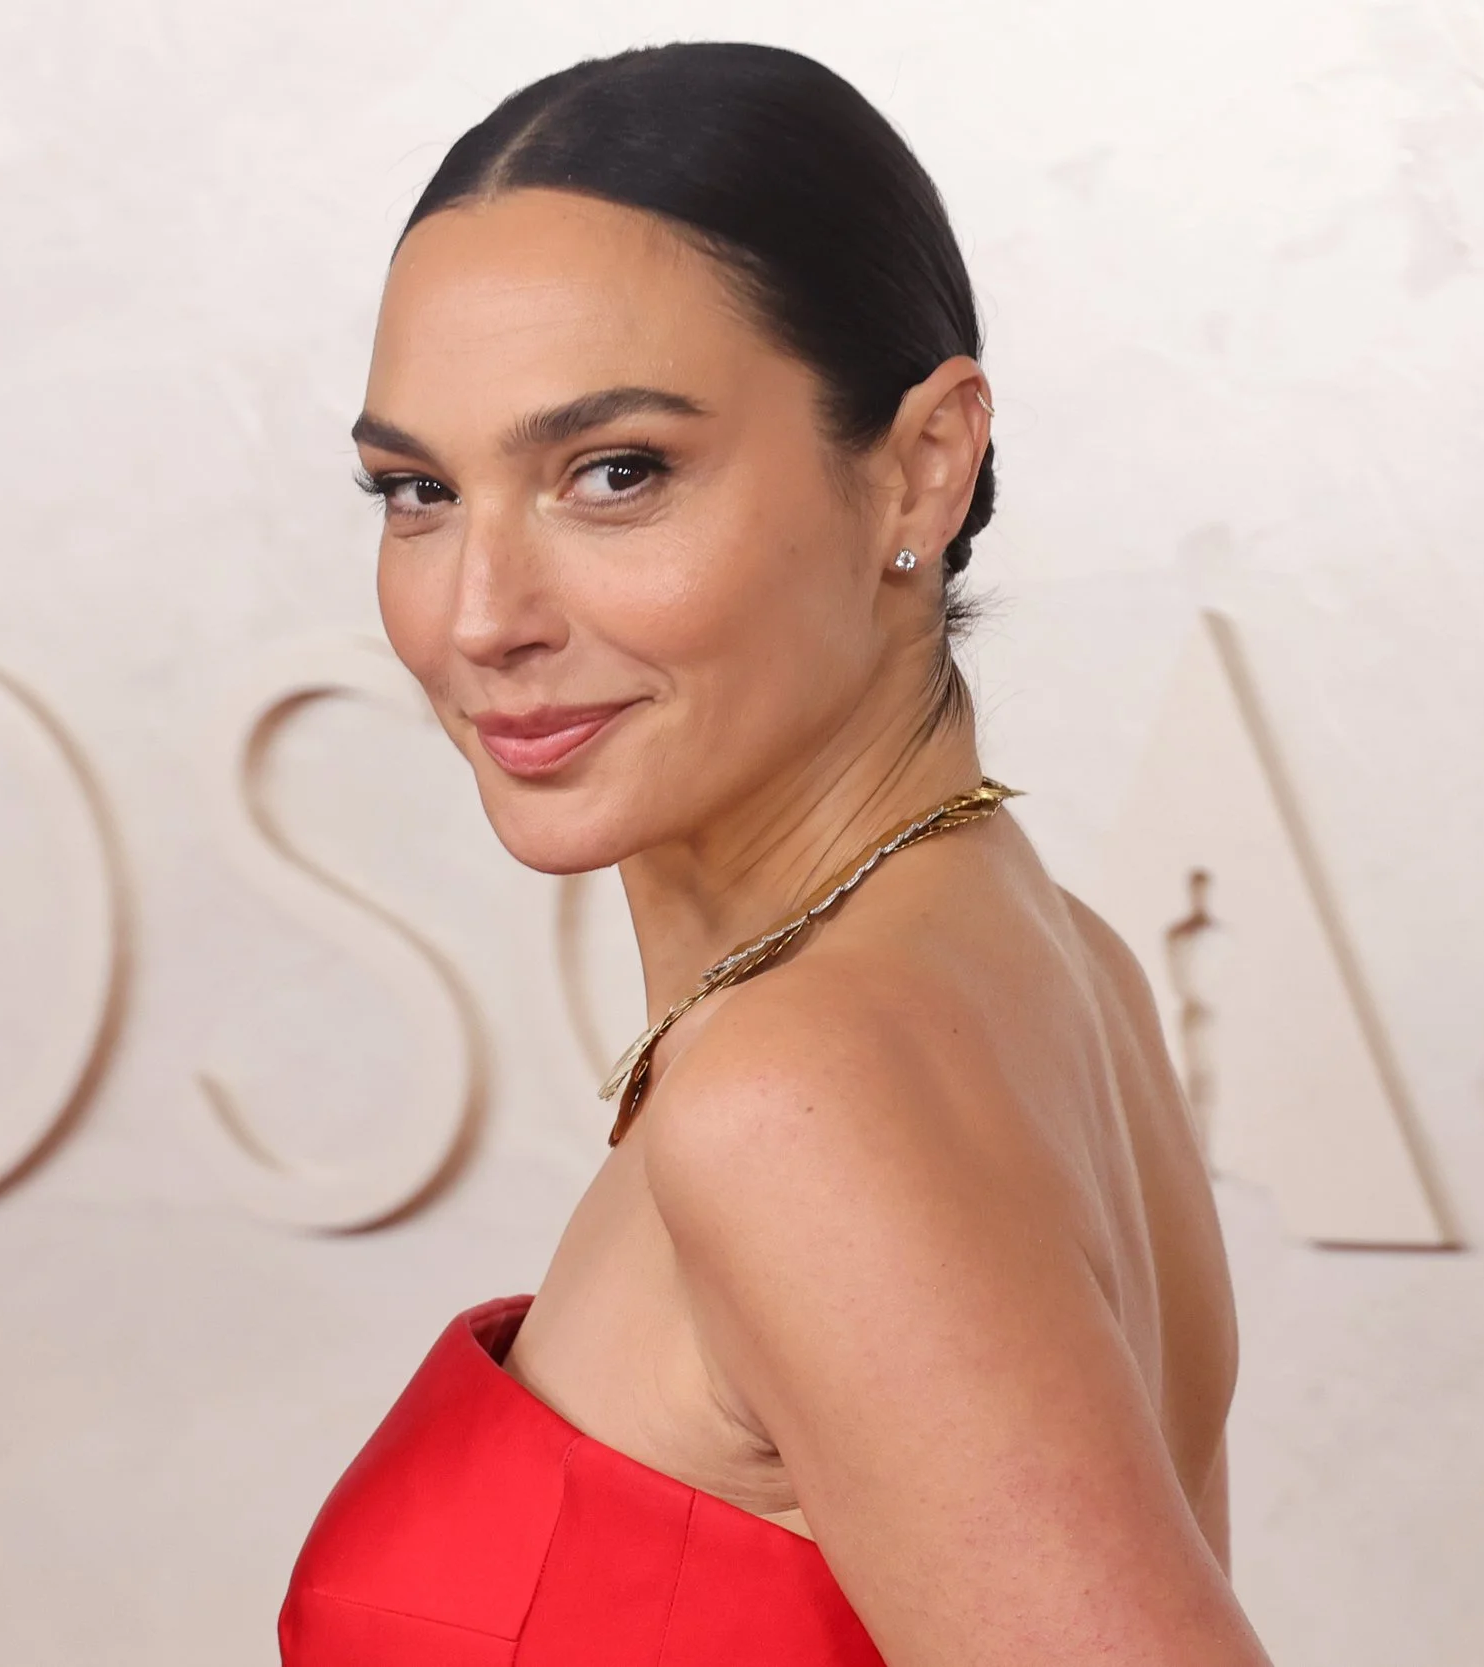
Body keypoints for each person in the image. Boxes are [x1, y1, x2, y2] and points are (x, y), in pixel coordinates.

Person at [278, 40, 1270, 1667]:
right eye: (418, 491)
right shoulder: (1042, 953)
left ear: (923, 464)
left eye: (615, 473)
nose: (480, 615)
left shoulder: (798, 1096)